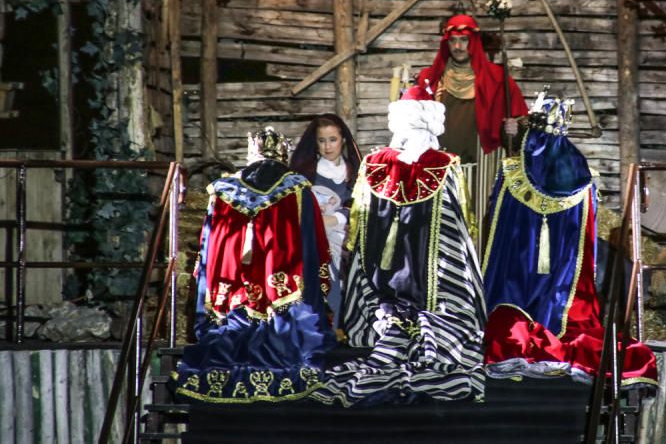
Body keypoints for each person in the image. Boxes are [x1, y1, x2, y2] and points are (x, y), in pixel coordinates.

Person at [310, 85, 487, 406]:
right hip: (433, 284)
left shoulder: (375, 164)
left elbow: (360, 226)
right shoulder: (444, 164)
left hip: (381, 280)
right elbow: (458, 231)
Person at [481, 93, 658, 389]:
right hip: (566, 293)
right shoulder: (580, 175)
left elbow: (500, 240)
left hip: (515, 287)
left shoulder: (514, 172)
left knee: (505, 323)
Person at [173, 126, 335, 403]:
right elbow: (313, 245)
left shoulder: (224, 190)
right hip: (283, 297)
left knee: (227, 331)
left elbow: (209, 246)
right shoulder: (296, 187)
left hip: (234, 292)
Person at [416, 13, 529, 246]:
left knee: (481, 231)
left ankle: (480, 279)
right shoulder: (431, 78)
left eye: (464, 40)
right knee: (441, 229)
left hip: (483, 170)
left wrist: (515, 127)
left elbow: (522, 124)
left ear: (474, 42)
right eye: (453, 40)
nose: (458, 46)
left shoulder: (498, 79)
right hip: (440, 170)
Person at [290, 114, 362, 327]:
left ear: (343, 141)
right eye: (322, 141)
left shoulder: (355, 171)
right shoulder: (305, 172)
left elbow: (361, 205)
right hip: (312, 233)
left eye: (333, 140)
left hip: (348, 230)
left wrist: (336, 217)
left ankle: (346, 322)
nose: (328, 146)